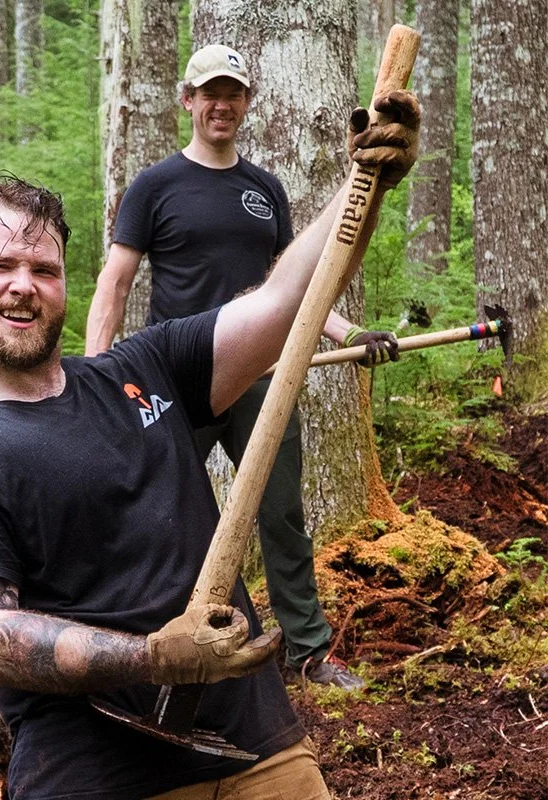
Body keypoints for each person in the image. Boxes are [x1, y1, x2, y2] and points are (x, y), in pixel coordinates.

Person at [0, 86, 418, 799]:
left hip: (258, 752)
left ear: (63, 286)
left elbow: (286, 298)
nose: (24, 287)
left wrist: (366, 181)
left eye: (43, 270)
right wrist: (152, 656)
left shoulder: (143, 368)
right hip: (95, 776)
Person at [85, 44, 401, 691]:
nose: (221, 104)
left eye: (233, 93)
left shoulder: (263, 190)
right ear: (189, 101)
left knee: (281, 513)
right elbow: (115, 283)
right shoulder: (156, 185)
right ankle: (143, 644)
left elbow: (293, 284)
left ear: (247, 102)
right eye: (210, 93)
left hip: (262, 378)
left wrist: (351, 331)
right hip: (179, 383)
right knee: (156, 512)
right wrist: (96, 378)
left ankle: (308, 650)